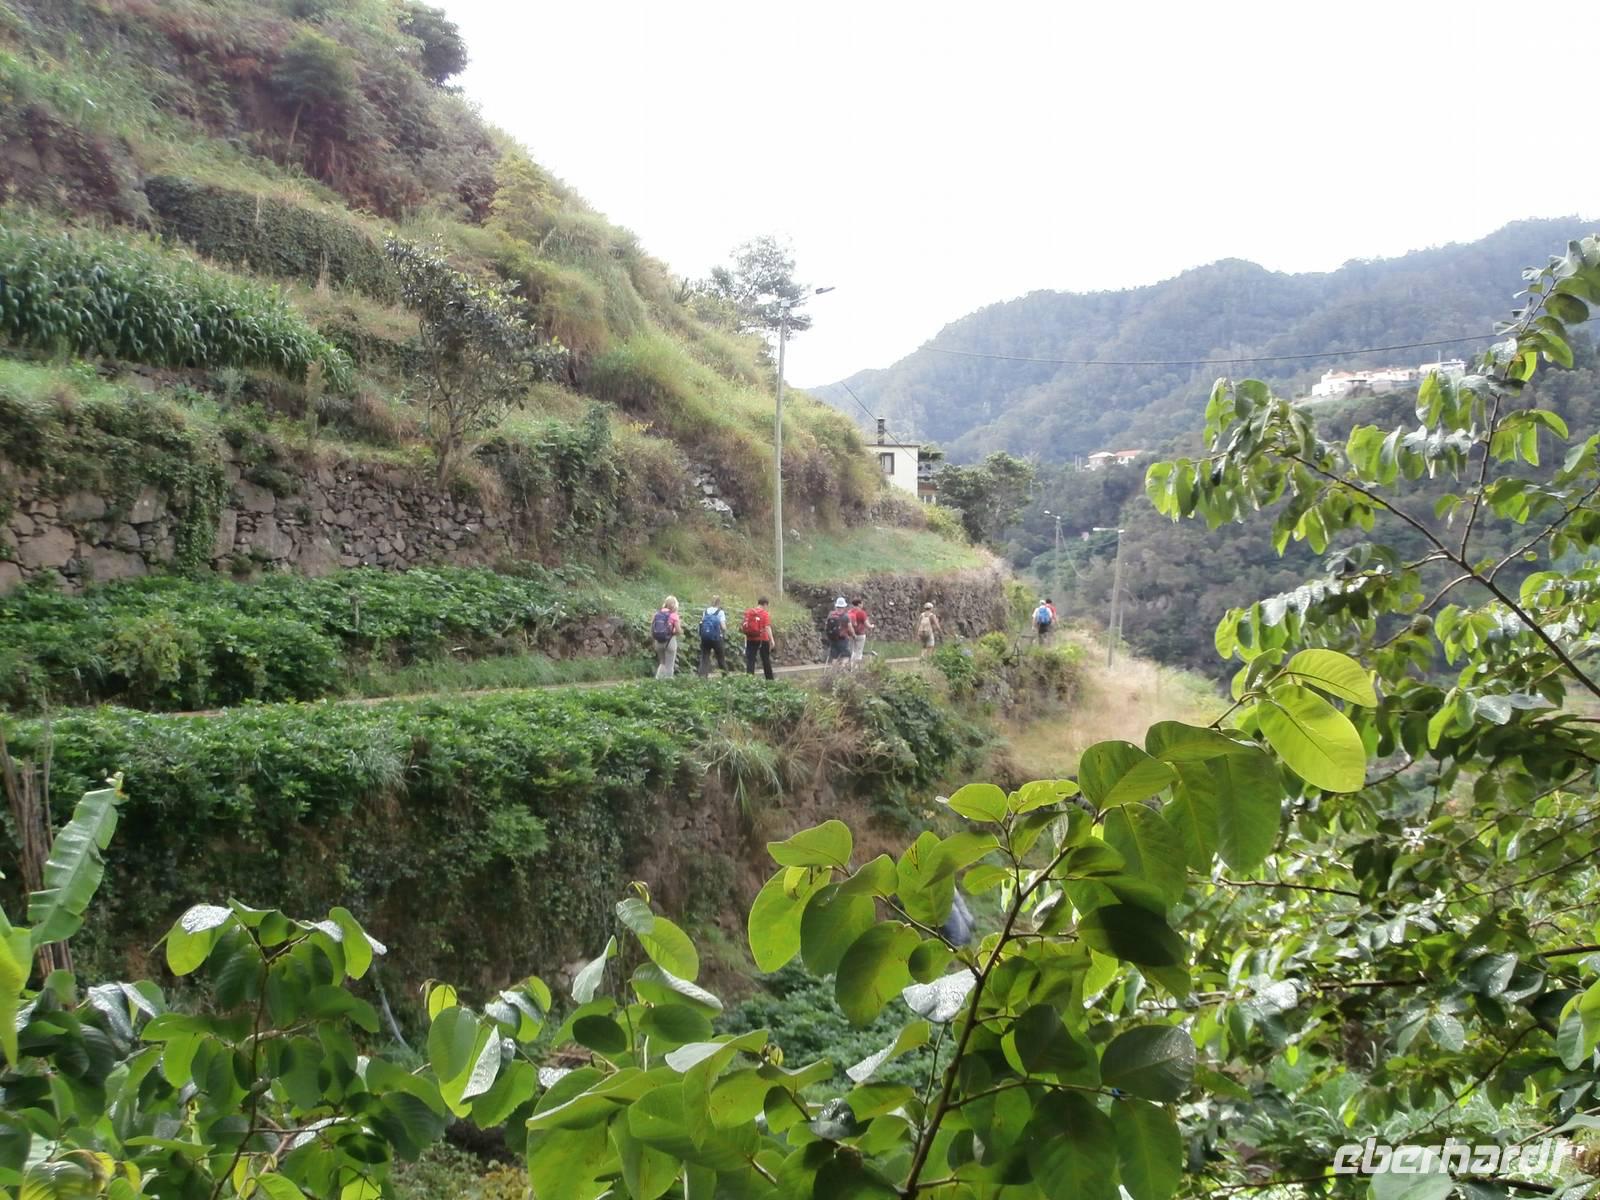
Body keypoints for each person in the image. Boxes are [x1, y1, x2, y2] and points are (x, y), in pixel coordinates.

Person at [742, 596, 776, 680]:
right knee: (765, 659)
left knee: (751, 660)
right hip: (762, 639)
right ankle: (770, 679)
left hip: (750, 638)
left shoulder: (749, 612)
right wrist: (772, 640)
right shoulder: (764, 614)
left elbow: (745, 626)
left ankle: (749, 679)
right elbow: (767, 627)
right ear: (765, 604)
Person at [697, 594, 729, 677]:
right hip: (717, 638)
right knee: (721, 658)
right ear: (719, 603)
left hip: (705, 638)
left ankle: (702, 677)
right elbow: (723, 627)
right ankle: (725, 677)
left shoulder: (706, 611)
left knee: (705, 658)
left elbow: (702, 623)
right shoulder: (720, 612)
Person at [651, 595, 681, 679]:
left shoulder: (657, 614)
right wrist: (674, 632)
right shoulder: (673, 615)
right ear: (675, 605)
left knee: (662, 663)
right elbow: (678, 631)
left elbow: (652, 628)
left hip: (658, 642)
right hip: (670, 642)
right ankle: (668, 684)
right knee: (669, 665)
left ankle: (657, 680)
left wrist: (654, 639)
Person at [823, 596, 852, 673]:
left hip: (832, 639)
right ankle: (842, 668)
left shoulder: (831, 614)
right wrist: (854, 635)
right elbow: (850, 628)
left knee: (834, 657)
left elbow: (826, 625)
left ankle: (832, 673)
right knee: (846, 655)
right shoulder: (845, 616)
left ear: (836, 606)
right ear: (844, 607)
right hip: (842, 639)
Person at [846, 596, 872, 670]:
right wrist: (872, 626)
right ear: (859, 604)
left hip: (851, 634)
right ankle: (856, 668)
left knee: (853, 651)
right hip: (860, 634)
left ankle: (851, 667)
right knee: (859, 652)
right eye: (862, 603)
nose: (862, 605)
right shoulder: (862, 613)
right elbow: (867, 625)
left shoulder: (849, 612)